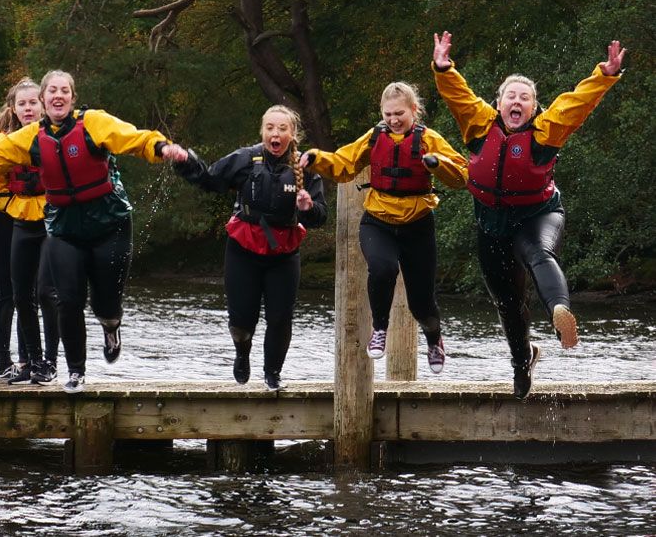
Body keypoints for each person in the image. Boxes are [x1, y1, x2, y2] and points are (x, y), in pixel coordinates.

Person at [0, 70, 186, 393]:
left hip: (108, 221)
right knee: (67, 299)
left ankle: (110, 325)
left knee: (105, 301)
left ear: (72, 98)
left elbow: (133, 138)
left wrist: (162, 148)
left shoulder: (93, 123)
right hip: (64, 226)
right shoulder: (29, 137)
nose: (58, 96)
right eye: (52, 91)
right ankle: (74, 371)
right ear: (44, 99)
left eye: (64, 91)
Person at [432, 31, 626, 399]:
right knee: (508, 303)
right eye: (511, 96)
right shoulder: (479, 123)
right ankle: (523, 361)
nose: (517, 101)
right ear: (499, 103)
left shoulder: (545, 131)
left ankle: (559, 313)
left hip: (538, 215)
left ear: (534, 108)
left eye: (525, 98)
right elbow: (458, 96)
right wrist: (443, 68)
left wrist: (604, 75)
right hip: (492, 224)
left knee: (539, 253)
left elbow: (577, 103)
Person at [299, 83, 468, 374]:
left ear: (413, 110)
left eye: (399, 113)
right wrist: (316, 158)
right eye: (388, 114)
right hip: (378, 221)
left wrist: (437, 164)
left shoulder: (429, 139)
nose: (393, 120)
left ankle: (433, 340)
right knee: (382, 268)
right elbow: (343, 163)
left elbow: (461, 175)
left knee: (422, 305)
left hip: (417, 226)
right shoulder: (374, 137)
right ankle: (379, 329)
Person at [173, 105, 328, 391]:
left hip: (283, 254)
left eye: (282, 128)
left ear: (293, 134)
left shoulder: (305, 168)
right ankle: (242, 353)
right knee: (241, 320)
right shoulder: (245, 159)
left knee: (280, 318)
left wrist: (308, 208)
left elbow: (320, 216)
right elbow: (210, 180)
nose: (275, 134)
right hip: (243, 249)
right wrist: (186, 162)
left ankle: (273, 373)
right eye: (270, 128)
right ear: (262, 132)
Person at [0, 77, 60, 385]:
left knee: (39, 293)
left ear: (43, 105)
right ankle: (5, 363)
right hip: (7, 219)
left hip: (44, 218)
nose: (28, 108)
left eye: (33, 103)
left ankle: (35, 360)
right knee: (10, 294)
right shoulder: (1, 143)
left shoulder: (55, 136)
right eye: (22, 104)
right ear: (12, 109)